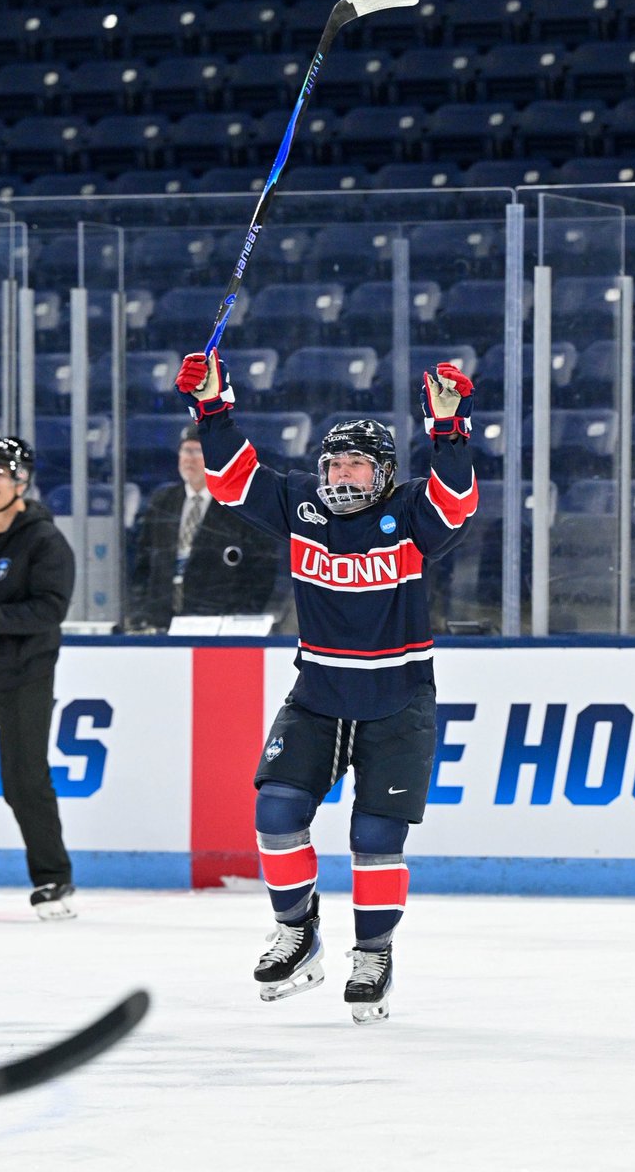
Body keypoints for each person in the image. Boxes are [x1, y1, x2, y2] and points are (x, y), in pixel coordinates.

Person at [175, 349, 478, 1024]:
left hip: (396, 701)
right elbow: (231, 478)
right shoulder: (300, 508)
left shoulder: (410, 517)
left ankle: (372, 953)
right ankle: (297, 931)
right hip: (316, 696)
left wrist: (449, 430)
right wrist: (213, 406)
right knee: (276, 812)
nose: (341, 476)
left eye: (356, 465)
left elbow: (455, 501)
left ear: (384, 473)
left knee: (374, 837)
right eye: (333, 464)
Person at [0, 436, 76, 920]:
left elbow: (50, 609)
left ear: (21, 480)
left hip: (23, 674)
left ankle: (53, 879)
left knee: (23, 781)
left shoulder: (44, 540)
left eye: (0, 471)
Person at [128, 423, 279, 631]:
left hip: (216, 625)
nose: (189, 458)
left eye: (198, 451)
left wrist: (237, 619)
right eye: (185, 450)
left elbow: (260, 572)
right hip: (160, 622)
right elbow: (143, 564)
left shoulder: (240, 505)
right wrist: (142, 611)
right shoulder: (162, 501)